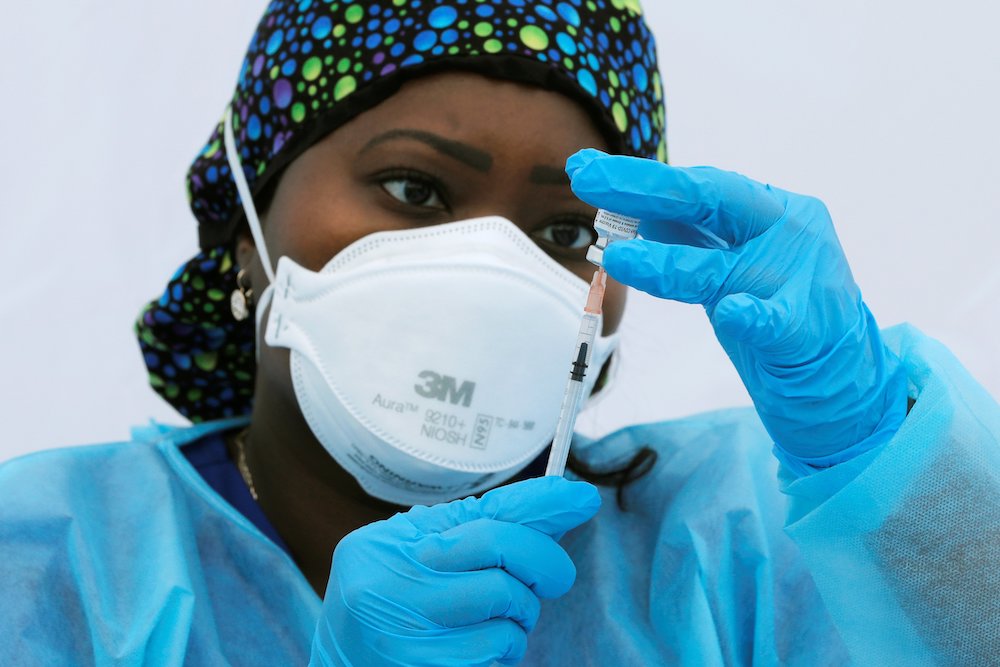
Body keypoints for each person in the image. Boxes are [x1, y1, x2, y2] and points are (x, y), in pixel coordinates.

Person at [2, 1, 998, 664]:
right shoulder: (50, 566)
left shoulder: (733, 544)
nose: (488, 271)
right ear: (250, 224)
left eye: (564, 231)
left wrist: (889, 466)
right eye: (414, 188)